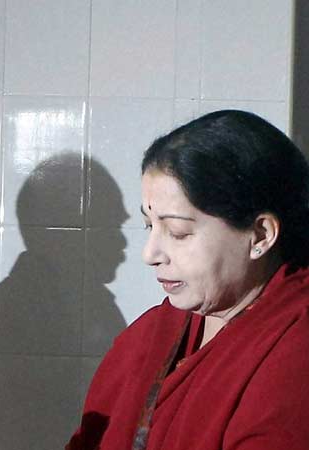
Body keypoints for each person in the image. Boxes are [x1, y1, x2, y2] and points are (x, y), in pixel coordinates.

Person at [66, 110, 309, 450]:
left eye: (178, 232)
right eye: (150, 226)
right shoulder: (151, 335)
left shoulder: (296, 347)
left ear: (260, 235)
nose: (150, 254)